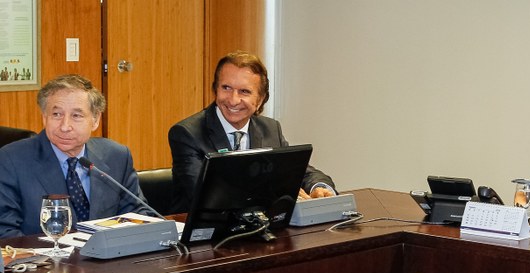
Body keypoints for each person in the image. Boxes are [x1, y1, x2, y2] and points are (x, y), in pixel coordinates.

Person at [168, 51, 336, 213]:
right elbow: (207, 196)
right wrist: (280, 194)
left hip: (258, 230)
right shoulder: (187, 134)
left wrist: (319, 187)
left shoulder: (270, 129)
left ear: (261, 99)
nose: (233, 100)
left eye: (244, 91)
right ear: (215, 89)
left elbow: (300, 172)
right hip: (203, 235)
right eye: (226, 88)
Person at [0, 74, 152, 239]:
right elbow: (6, 232)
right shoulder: (11, 160)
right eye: (56, 114)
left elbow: (138, 215)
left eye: (76, 116)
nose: (65, 127)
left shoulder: (116, 156)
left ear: (95, 120)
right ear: (44, 118)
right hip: (46, 261)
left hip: (109, 260)